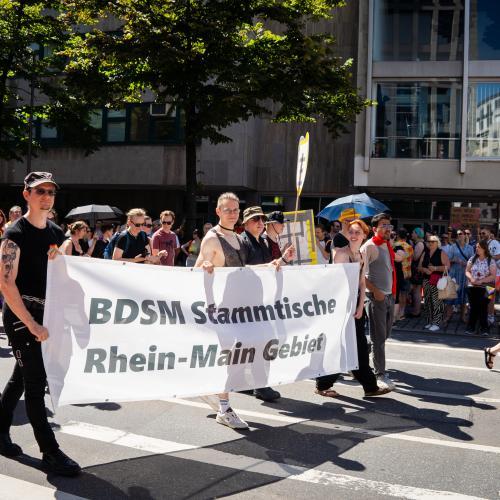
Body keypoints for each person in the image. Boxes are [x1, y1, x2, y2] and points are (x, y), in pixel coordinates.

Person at [0, 171, 81, 475]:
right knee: (35, 383)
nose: (46, 197)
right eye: (40, 191)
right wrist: (33, 324)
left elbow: (62, 276)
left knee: (21, 378)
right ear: (27, 195)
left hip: (48, 316)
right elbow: (6, 284)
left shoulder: (56, 233)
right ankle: (50, 452)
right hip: (22, 317)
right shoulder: (15, 234)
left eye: (51, 192)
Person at [194, 193, 291, 429]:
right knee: (230, 360)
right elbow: (196, 270)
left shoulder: (237, 238)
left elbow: (245, 269)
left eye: (235, 210)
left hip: (239, 310)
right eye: (227, 210)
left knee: (235, 360)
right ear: (218, 211)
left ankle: (216, 395)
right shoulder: (212, 238)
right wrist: (204, 266)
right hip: (221, 309)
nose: (232, 213)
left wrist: (275, 263)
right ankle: (224, 409)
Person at [315, 219, 391, 398]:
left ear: (365, 235)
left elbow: (362, 283)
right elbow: (335, 283)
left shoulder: (361, 255)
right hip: (341, 307)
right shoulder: (342, 254)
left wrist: (360, 306)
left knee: (358, 347)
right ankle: (323, 384)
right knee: (342, 347)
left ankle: (369, 386)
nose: (354, 235)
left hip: (355, 305)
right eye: (351, 232)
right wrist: (345, 307)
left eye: (358, 232)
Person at [240, 206, 291, 402]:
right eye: (256, 220)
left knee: (258, 343)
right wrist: (268, 266)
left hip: (261, 301)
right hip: (246, 302)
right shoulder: (242, 242)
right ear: (246, 223)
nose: (260, 223)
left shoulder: (261, 242)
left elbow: (270, 268)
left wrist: (284, 260)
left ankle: (251, 383)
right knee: (256, 343)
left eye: (262, 219)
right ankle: (259, 385)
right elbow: (241, 269)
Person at [361, 213, 397, 390]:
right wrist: (375, 291)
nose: (388, 228)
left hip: (389, 296)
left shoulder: (387, 244)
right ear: (374, 228)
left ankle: (360, 352)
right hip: (375, 298)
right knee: (379, 339)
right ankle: (380, 374)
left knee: (383, 335)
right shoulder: (369, 246)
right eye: (384, 225)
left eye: (389, 225)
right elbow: (360, 274)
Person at [418, 235, 450, 332]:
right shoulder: (425, 253)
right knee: (427, 301)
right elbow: (419, 267)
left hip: (437, 280)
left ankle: (437, 323)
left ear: (437, 243)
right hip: (426, 280)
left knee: (437, 302)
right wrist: (424, 270)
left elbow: (447, 267)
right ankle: (429, 321)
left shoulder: (441, 252)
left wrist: (435, 268)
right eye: (428, 241)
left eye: (433, 241)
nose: (430, 243)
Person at [465, 240, 496, 336]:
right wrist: (471, 278)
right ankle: (471, 327)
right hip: (473, 286)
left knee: (483, 307)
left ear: (484, 248)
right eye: (476, 247)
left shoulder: (490, 260)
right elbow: (467, 271)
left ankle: (484, 328)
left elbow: (493, 276)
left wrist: (481, 281)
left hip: (489, 288)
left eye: (479, 247)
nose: (476, 249)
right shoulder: (472, 258)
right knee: (473, 307)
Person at [444, 229, 474, 325]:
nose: (460, 235)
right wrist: (455, 260)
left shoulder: (470, 248)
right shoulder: (452, 247)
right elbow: (447, 260)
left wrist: (466, 264)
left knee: (464, 295)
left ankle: (462, 316)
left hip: (464, 274)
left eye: (461, 234)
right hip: (454, 273)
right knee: (450, 295)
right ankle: (448, 316)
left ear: (465, 235)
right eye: (458, 234)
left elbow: (473, 261)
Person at [480, 226, 500, 326]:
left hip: (492, 275)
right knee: (482, 296)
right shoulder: (481, 243)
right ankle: (484, 315)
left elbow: (498, 256)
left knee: (490, 296)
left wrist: (488, 256)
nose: (482, 235)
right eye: (481, 233)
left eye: (484, 233)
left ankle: (490, 316)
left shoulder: (494, 243)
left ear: (489, 233)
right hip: (482, 275)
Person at [392, 229, 413, 322]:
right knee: (404, 294)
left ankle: (395, 315)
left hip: (399, 272)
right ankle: (402, 313)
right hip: (407, 272)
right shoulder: (409, 246)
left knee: (397, 294)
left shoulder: (395, 245)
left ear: (398, 235)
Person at [409, 227, 425, 317]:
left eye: (413, 233)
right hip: (417, 270)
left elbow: (415, 257)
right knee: (416, 290)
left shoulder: (419, 244)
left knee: (416, 290)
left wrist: (410, 251)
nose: (412, 234)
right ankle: (416, 310)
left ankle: (416, 311)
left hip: (417, 270)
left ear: (417, 234)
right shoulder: (419, 243)